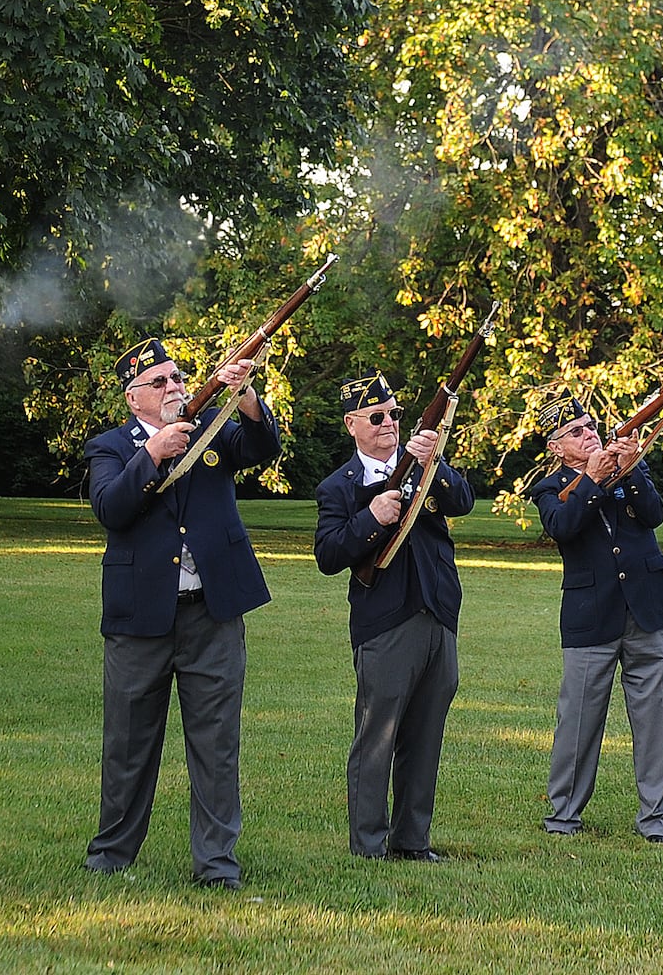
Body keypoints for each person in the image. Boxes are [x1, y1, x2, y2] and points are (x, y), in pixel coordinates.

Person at [83, 337, 277, 888]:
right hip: (139, 616)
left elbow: (263, 447)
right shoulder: (111, 448)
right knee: (128, 744)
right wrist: (153, 454)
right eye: (159, 382)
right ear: (133, 398)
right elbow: (111, 509)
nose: (174, 387)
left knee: (216, 744)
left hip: (212, 612)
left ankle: (216, 865)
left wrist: (246, 398)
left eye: (177, 377)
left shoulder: (213, 428)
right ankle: (112, 855)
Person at [312, 371, 470, 861]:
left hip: (437, 613)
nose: (389, 423)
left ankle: (412, 841)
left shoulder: (424, 465)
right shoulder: (339, 486)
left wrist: (432, 462)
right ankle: (368, 843)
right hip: (384, 621)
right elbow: (328, 555)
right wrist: (371, 518)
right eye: (376, 416)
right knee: (377, 735)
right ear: (352, 425)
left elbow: (461, 501)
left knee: (425, 736)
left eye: (395, 415)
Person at [528, 396, 663, 843]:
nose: (590, 434)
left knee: (655, 720)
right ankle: (563, 816)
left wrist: (632, 466)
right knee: (577, 721)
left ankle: (657, 821)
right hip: (590, 614)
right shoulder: (549, 488)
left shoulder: (630, 469)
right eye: (577, 432)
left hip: (648, 607)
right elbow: (562, 527)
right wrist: (593, 479)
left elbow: (654, 515)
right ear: (557, 448)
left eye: (591, 426)